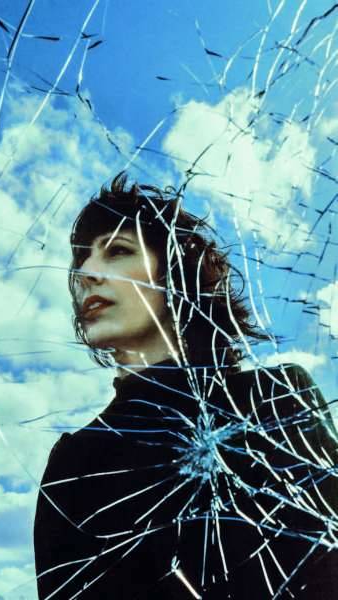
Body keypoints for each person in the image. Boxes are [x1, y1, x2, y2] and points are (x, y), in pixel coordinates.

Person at [34, 173, 338, 599]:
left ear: (176, 270)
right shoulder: (75, 462)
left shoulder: (274, 397)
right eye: (81, 261)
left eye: (117, 251)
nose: (87, 273)